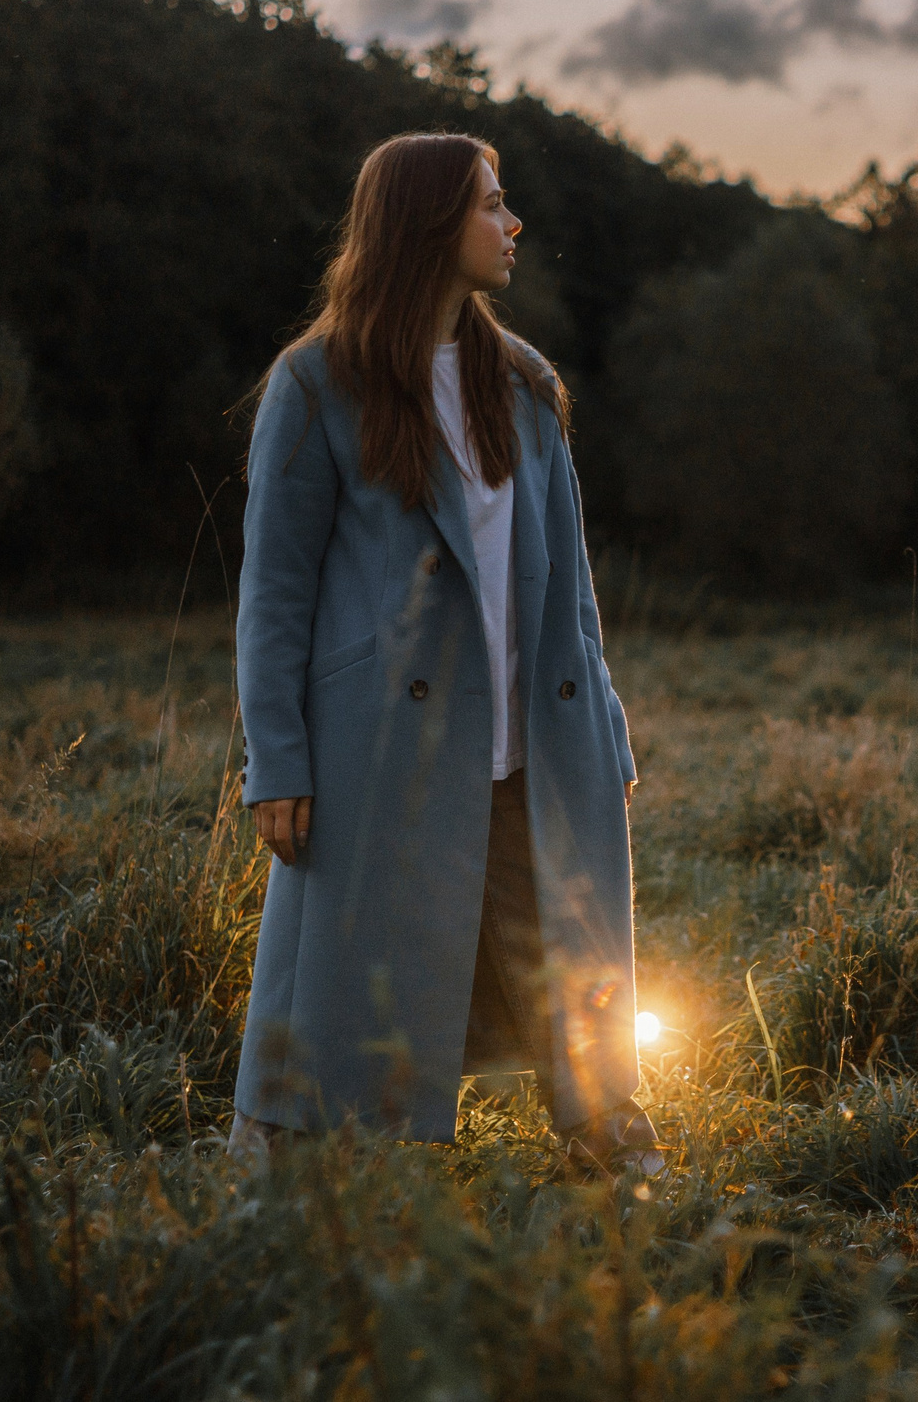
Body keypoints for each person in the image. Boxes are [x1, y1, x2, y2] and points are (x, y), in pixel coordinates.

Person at [226, 132, 657, 1178]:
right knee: (339, 970)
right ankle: (279, 1166)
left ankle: (618, 1159)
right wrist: (276, 758)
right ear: (425, 223)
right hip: (381, 750)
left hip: (534, 741)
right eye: (491, 205)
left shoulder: (523, 381)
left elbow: (574, 588)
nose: (513, 227)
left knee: (572, 957)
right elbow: (274, 593)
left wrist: (605, 732)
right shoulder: (315, 383)